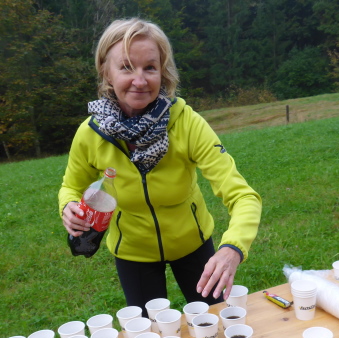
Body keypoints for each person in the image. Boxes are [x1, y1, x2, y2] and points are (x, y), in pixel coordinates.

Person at [58, 18, 262, 313]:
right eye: (126, 67)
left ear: (162, 72)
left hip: (193, 245)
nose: (140, 80)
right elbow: (71, 186)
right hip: (133, 254)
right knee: (148, 335)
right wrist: (68, 206)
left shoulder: (187, 123)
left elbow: (243, 196)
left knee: (215, 326)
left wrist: (233, 248)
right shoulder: (91, 133)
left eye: (150, 68)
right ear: (106, 71)